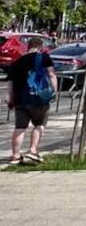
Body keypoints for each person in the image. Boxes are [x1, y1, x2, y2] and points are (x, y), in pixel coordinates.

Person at [6, 36, 57, 165]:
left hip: (20, 99)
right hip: (39, 98)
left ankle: (15, 156)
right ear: (40, 47)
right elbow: (51, 74)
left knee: (20, 127)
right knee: (39, 125)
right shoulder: (44, 58)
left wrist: (10, 98)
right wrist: (54, 91)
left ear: (28, 47)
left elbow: (10, 84)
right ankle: (32, 150)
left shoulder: (16, 62)